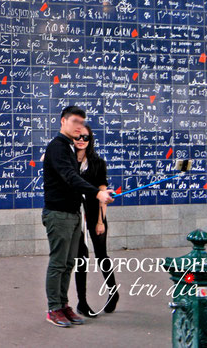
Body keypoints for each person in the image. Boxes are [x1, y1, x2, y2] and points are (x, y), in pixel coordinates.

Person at [42, 106, 114, 328]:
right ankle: (54, 308)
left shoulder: (69, 148)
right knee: (58, 263)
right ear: (63, 121)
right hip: (59, 214)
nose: (79, 127)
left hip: (73, 214)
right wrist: (97, 192)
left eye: (82, 123)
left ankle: (64, 305)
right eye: (75, 122)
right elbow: (70, 177)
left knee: (69, 263)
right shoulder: (57, 147)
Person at [73, 124, 119, 316]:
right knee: (80, 257)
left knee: (101, 255)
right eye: (78, 137)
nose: (81, 140)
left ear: (90, 140)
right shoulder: (67, 160)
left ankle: (113, 292)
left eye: (86, 137)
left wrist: (101, 221)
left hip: (94, 214)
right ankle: (82, 302)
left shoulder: (98, 163)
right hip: (75, 215)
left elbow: (103, 193)